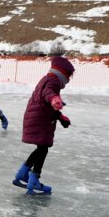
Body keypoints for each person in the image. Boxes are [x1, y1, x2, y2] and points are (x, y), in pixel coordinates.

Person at [13, 56, 74, 196]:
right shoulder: (54, 81)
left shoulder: (46, 79)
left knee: (41, 148)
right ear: (63, 73)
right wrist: (55, 99)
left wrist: (60, 117)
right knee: (43, 148)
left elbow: (45, 99)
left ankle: (22, 174)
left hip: (37, 116)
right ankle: (33, 180)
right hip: (41, 119)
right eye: (69, 75)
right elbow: (49, 94)